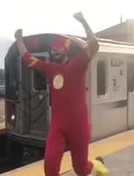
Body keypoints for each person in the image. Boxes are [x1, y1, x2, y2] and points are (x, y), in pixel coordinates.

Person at [14, 12, 109, 176]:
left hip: (78, 126)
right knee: (50, 167)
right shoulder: (51, 70)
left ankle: (97, 164)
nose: (53, 50)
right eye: (52, 49)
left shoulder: (78, 64)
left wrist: (83, 21)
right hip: (58, 127)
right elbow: (28, 59)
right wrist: (19, 40)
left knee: (81, 170)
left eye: (57, 47)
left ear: (65, 50)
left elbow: (93, 45)